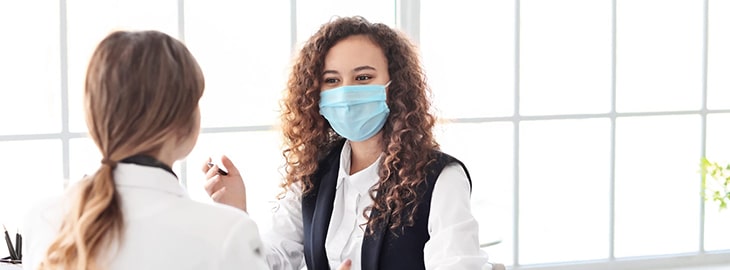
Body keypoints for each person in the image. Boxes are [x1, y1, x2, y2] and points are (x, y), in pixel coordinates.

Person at [204, 16, 489, 270]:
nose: (347, 92)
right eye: (332, 80)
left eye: (363, 77)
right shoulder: (312, 173)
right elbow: (272, 261)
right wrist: (236, 213)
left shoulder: (441, 178)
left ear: (395, 86)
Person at [22, 30, 268, 270]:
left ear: (96, 119)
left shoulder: (44, 219)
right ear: (185, 124)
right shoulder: (228, 233)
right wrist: (235, 213)